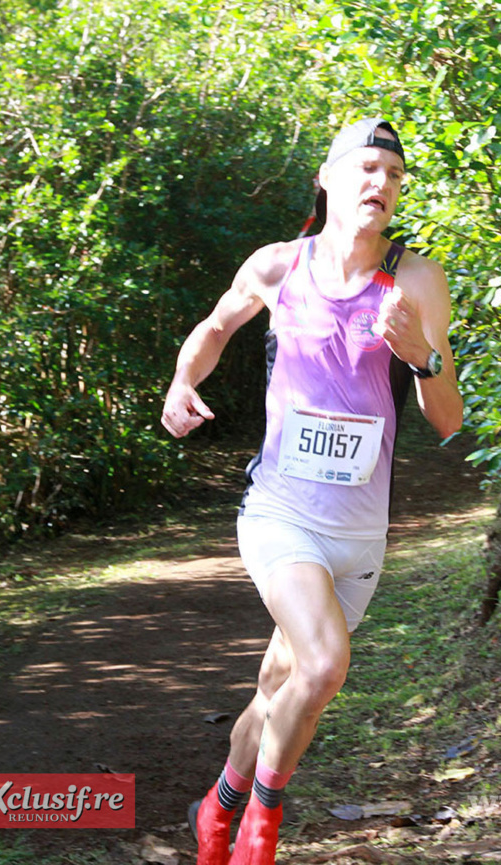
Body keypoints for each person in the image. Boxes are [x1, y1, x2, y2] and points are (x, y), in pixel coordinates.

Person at [161, 118, 463, 865]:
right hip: (280, 512)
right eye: (366, 168)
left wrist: (420, 356)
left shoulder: (417, 278)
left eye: (393, 175)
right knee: (324, 666)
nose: (381, 185)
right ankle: (259, 830)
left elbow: (448, 420)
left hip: (359, 532)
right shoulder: (277, 265)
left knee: (279, 687)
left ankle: (217, 805)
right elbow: (214, 325)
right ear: (326, 179)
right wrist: (181, 380)